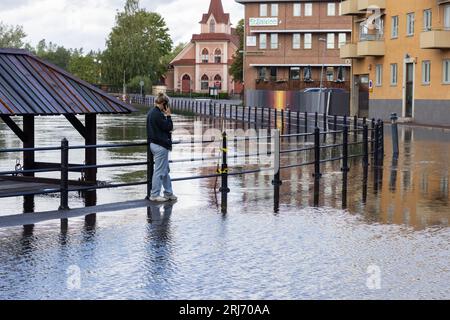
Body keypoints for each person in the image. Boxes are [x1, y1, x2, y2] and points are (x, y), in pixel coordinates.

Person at [147, 93, 177, 202]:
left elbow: (162, 128)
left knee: (165, 170)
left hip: (155, 144)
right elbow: (169, 126)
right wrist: (168, 115)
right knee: (159, 170)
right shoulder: (158, 114)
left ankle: (168, 193)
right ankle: (154, 194)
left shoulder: (152, 113)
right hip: (160, 145)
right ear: (164, 104)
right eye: (167, 104)